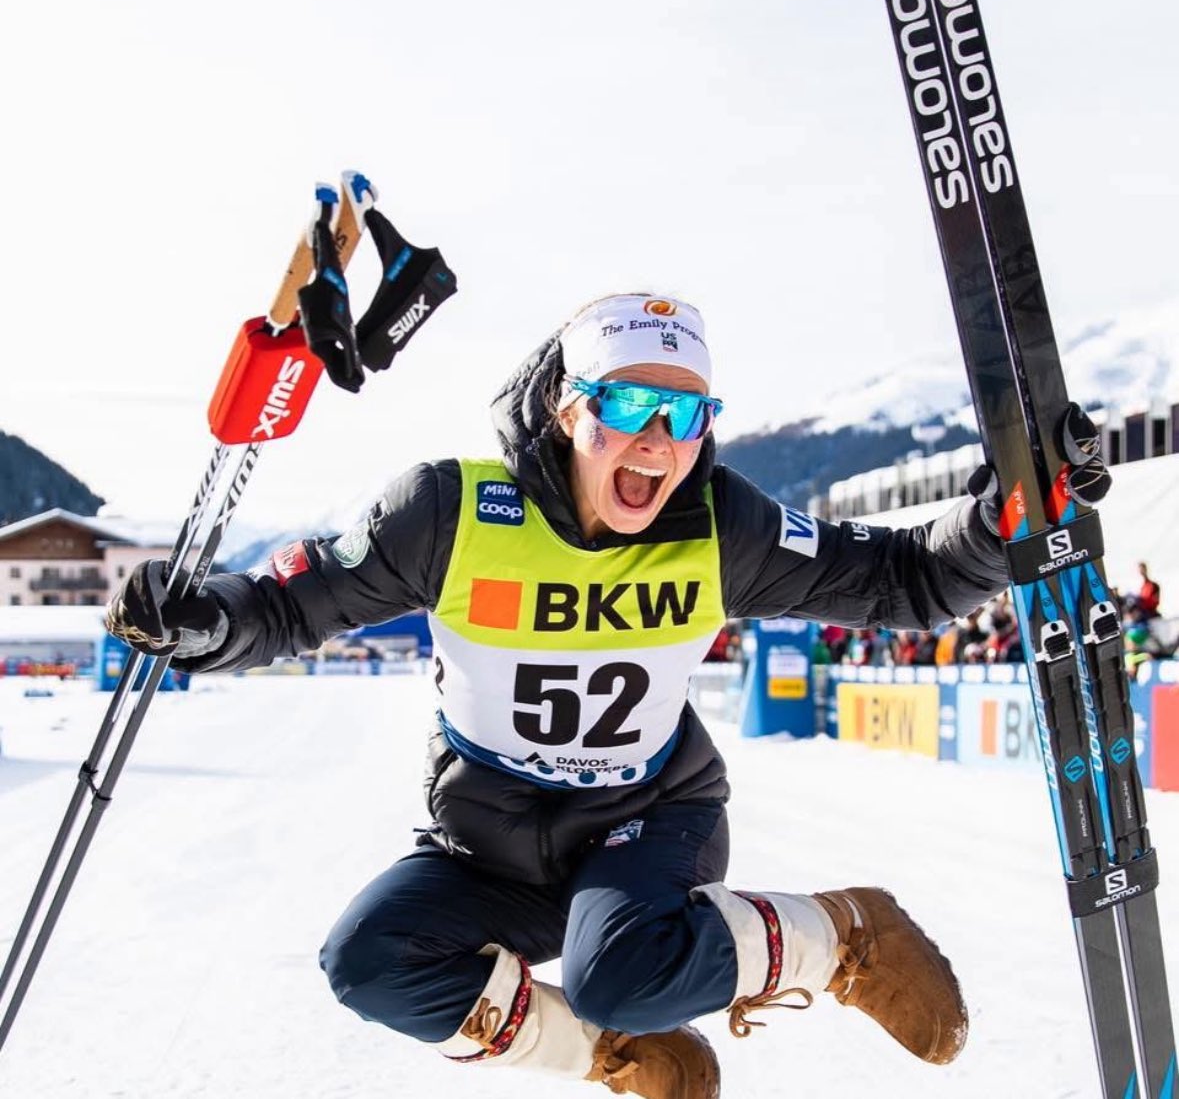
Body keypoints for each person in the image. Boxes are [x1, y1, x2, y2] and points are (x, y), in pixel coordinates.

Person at [105, 293, 1011, 1098]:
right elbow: (282, 604)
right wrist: (205, 621)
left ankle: (847, 936)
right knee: (369, 961)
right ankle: (614, 1052)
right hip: (489, 838)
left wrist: (997, 526)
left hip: (647, 817)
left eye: (686, 412)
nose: (656, 437)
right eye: (625, 402)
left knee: (617, 967)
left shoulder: (719, 525)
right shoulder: (450, 512)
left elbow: (907, 580)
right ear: (564, 405)